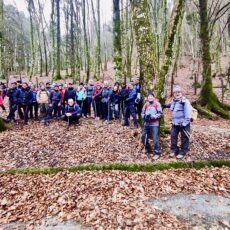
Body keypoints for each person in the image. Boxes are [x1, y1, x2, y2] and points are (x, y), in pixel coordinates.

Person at [164, 85, 192, 159]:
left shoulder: (185, 101)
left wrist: (185, 123)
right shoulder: (174, 101)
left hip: (183, 124)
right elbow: (170, 105)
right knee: (173, 136)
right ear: (174, 93)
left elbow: (188, 114)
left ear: (181, 92)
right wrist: (165, 105)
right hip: (175, 123)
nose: (177, 93)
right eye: (175, 92)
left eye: (178, 92)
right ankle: (174, 150)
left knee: (184, 138)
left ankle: (182, 152)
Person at [141, 92, 162, 160]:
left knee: (155, 138)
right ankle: (148, 148)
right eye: (149, 96)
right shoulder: (146, 104)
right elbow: (142, 113)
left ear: (153, 97)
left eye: (151, 96)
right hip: (146, 123)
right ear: (147, 98)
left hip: (154, 124)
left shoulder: (157, 104)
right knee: (143, 136)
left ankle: (157, 152)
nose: (150, 97)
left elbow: (160, 114)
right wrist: (144, 116)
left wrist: (153, 117)